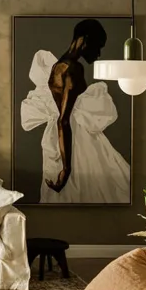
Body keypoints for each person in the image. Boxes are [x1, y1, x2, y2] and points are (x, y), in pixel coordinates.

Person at [21, 19, 130, 204]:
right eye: (98, 46)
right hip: (76, 142)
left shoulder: (58, 67)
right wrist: (67, 169)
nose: (98, 54)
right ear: (85, 39)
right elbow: (63, 120)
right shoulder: (72, 68)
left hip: (68, 138)